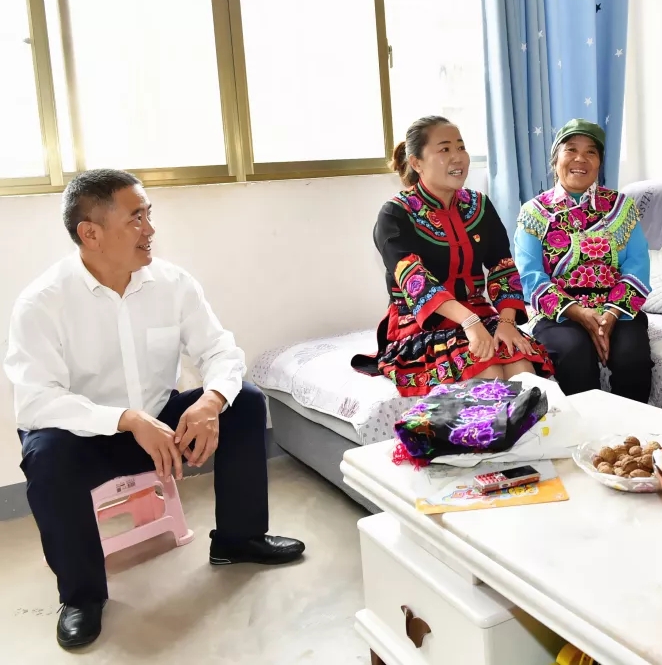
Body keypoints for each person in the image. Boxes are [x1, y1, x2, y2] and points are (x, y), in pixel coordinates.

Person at [3, 169, 305, 650]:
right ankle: (81, 596)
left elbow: (221, 352)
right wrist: (125, 419)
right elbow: (37, 401)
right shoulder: (42, 302)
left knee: (244, 401)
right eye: (136, 218)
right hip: (84, 438)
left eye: (149, 215)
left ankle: (238, 540)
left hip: (161, 426)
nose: (150, 229)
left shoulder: (172, 283)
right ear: (90, 233)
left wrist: (210, 401)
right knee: (46, 454)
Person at [369, 115, 554, 396]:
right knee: (487, 371)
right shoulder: (395, 214)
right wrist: (469, 322)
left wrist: (506, 323)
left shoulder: (479, 205)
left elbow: (502, 267)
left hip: (479, 315)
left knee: (523, 370)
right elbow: (415, 281)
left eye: (461, 147)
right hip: (420, 324)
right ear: (416, 163)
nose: (457, 157)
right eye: (444, 149)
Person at [515, 119, 654, 403]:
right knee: (574, 353)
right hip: (558, 314)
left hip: (617, 310)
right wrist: (578, 313)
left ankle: (631, 429)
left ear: (600, 163)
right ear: (555, 160)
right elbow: (530, 276)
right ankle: (588, 429)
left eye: (591, 152)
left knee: (632, 358)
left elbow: (637, 265)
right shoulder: (534, 212)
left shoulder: (621, 206)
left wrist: (610, 316)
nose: (581, 158)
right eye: (571, 150)